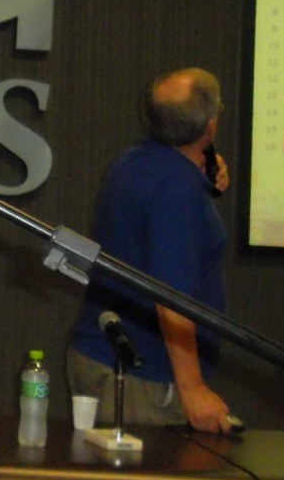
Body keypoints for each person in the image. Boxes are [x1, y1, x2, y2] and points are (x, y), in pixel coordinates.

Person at [67, 67, 234, 434]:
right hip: (142, 376)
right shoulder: (177, 190)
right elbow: (171, 299)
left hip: (106, 358)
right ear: (210, 126)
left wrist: (204, 169)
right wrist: (193, 388)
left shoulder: (134, 162)